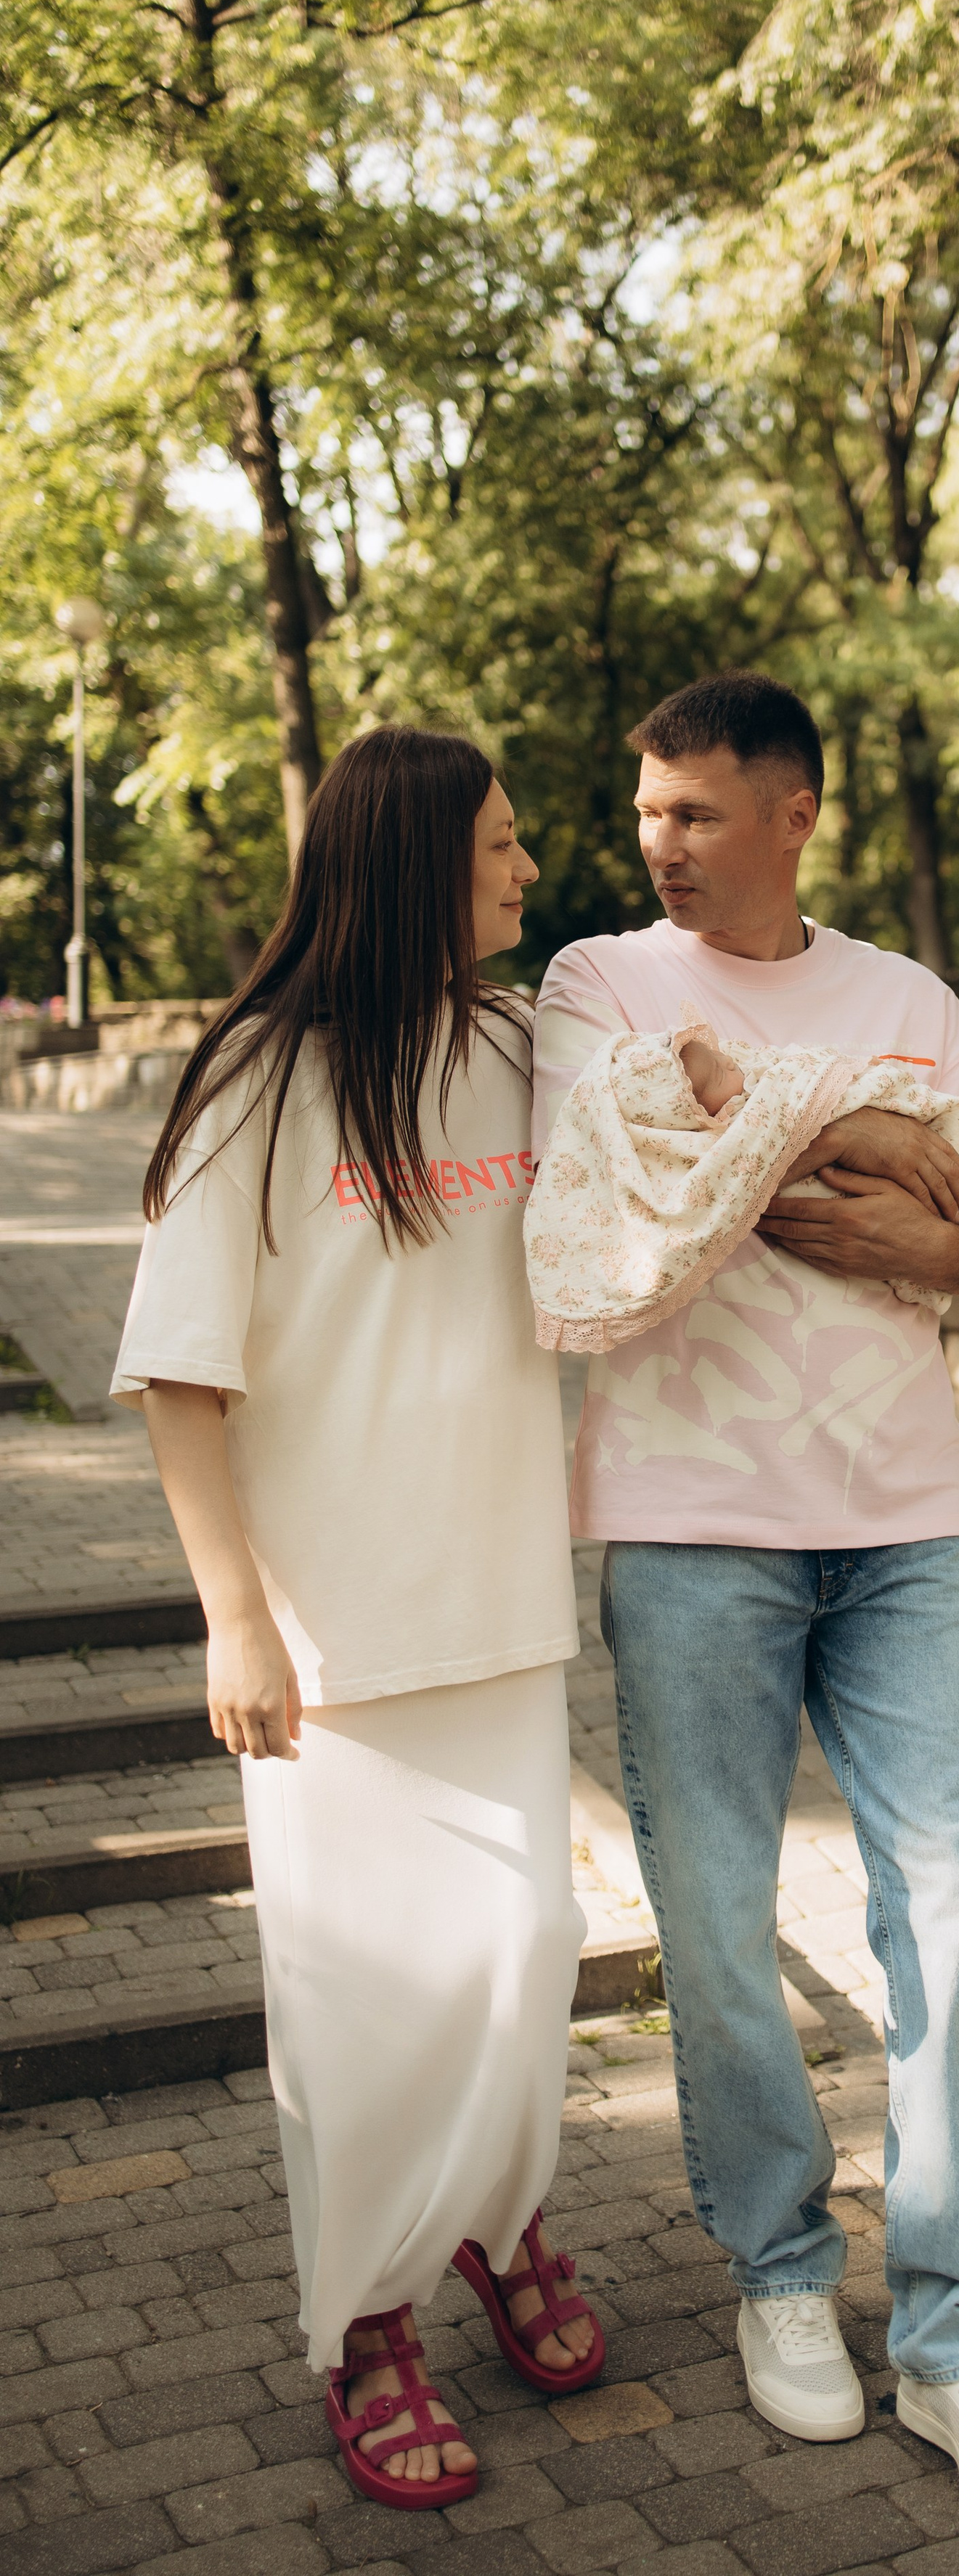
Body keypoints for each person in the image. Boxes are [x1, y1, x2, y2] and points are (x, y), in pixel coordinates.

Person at [532, 670, 959, 2519]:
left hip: (905, 1523)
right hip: (690, 1521)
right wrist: (877, 1130)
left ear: (793, 815)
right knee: (713, 1922)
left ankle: (955, 2339)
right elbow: (658, 1159)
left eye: (694, 813)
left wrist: (924, 1225)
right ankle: (778, 2271)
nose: (659, 846)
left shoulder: (907, 996)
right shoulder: (599, 980)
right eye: (646, 813)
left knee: (954, 1916)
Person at [113, 729, 605, 2515]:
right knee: (356, 2004)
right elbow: (182, 1378)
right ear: (413, 864)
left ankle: (498, 2216)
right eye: (499, 844)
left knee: (523, 1951)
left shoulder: (515, 1050)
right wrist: (233, 1620)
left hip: (502, 1602)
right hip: (333, 1645)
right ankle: (367, 2319)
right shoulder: (256, 1084)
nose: (527, 870)